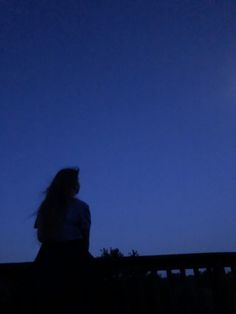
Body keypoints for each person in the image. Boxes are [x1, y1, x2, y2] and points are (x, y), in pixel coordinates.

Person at [33, 167, 94, 313]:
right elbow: (85, 238)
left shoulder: (47, 206)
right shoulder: (81, 207)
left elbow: (41, 236)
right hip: (75, 256)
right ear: (73, 184)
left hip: (49, 257)